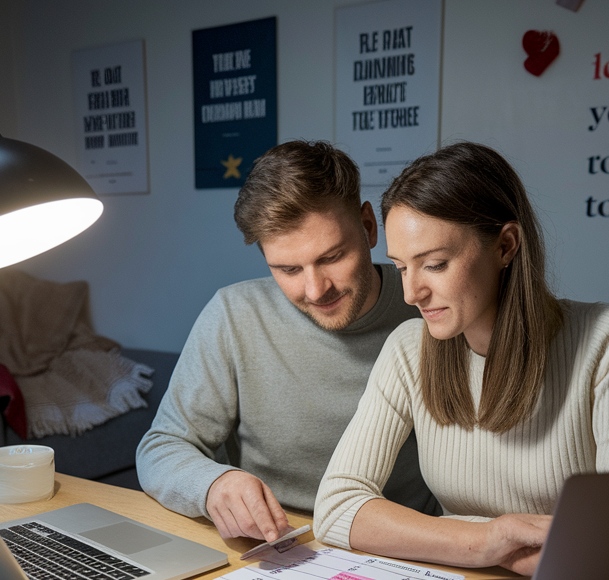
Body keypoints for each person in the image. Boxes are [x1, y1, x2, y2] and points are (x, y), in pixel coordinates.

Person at [314, 142, 609, 574]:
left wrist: (480, 544)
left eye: (435, 264)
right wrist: (486, 542)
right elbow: (335, 509)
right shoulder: (408, 347)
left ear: (506, 246)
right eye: (403, 267)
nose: (411, 294)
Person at [137, 141, 438, 541]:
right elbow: (161, 447)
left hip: (399, 545)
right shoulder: (234, 314)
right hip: (275, 547)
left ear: (368, 227)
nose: (316, 290)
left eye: (332, 257)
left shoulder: (430, 312)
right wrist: (212, 485)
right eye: (288, 268)